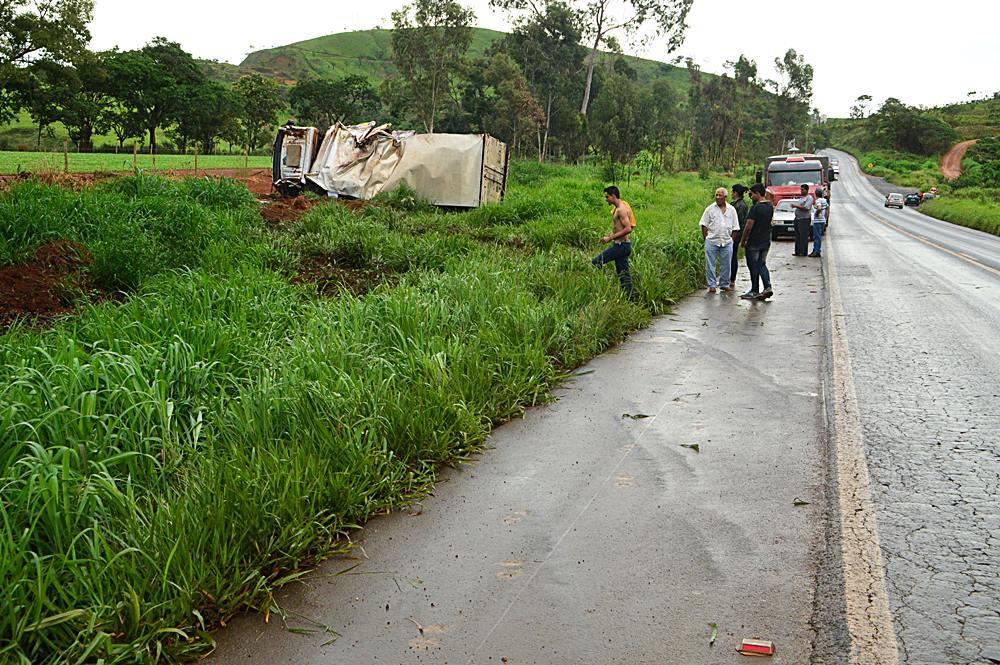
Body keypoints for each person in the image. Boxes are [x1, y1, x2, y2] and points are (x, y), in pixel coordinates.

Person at [593, 185, 636, 298]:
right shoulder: (619, 207)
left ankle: (604, 285)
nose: (606, 199)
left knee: (596, 262)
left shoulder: (621, 209)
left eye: (607, 197)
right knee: (624, 277)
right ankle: (633, 300)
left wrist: (610, 238)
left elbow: (628, 229)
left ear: (613, 196)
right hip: (622, 245)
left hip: (621, 246)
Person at [699, 186, 740, 293]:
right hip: (712, 241)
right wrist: (706, 239)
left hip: (726, 241)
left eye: (720, 195)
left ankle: (724, 284)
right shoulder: (709, 209)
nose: (717, 197)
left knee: (726, 264)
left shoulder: (732, 210)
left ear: (725, 197)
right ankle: (712, 285)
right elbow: (704, 225)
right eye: (716, 195)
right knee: (710, 264)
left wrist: (731, 240)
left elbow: (735, 227)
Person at [740, 183, 774, 300]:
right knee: (761, 264)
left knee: (753, 266)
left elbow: (749, 226)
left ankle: (754, 290)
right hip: (765, 241)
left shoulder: (755, 208)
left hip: (754, 242)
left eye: (752, 194)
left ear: (758, 194)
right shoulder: (770, 206)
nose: (751, 197)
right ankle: (767, 286)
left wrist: (743, 240)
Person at [729, 184, 750, 286]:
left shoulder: (740, 205)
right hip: (735, 234)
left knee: (732, 256)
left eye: (732, 191)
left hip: (735, 235)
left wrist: (735, 234)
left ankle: (732, 279)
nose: (731, 193)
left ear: (736, 193)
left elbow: (738, 222)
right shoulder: (738, 204)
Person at [790, 184, 814, 256]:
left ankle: (803, 252)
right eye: (801, 189)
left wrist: (795, 206)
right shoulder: (801, 198)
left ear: (807, 190)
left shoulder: (809, 198)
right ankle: (798, 251)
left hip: (804, 219)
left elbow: (806, 207)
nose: (801, 191)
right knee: (798, 236)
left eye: (803, 189)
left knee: (803, 236)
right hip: (798, 219)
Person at [810, 187, 829, 257]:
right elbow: (827, 208)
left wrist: (816, 214)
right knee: (819, 237)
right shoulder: (824, 200)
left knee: (816, 237)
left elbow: (819, 208)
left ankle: (816, 251)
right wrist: (826, 217)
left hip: (818, 221)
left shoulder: (818, 200)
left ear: (816, 194)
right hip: (822, 221)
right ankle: (816, 250)